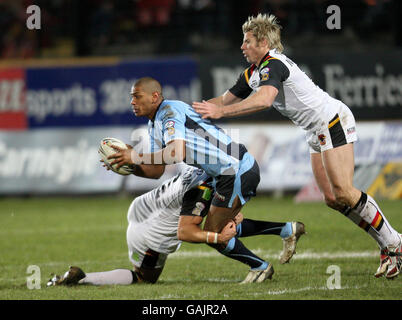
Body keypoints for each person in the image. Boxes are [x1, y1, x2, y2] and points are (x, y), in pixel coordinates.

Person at [192, 13, 401, 280]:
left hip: (331, 120)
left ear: (264, 42)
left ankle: (394, 243)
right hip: (315, 129)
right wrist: (189, 115)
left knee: (345, 192)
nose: (242, 47)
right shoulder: (252, 73)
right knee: (332, 199)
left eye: (247, 41)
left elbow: (265, 100)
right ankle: (389, 244)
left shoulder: (273, 65)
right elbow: (222, 100)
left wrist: (222, 114)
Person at [108, 77, 305, 283]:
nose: (132, 102)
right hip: (222, 173)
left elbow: (176, 151)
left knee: (214, 233)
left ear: (154, 96)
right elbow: (156, 170)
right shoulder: (154, 124)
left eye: (137, 96)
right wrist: (129, 166)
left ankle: (261, 267)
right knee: (215, 228)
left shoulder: (168, 112)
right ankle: (285, 230)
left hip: (234, 170)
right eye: (131, 98)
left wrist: (135, 156)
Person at [47, 167, 304, 286]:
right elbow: (186, 232)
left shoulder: (199, 169)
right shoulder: (201, 189)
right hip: (150, 235)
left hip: (143, 209)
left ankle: (283, 233)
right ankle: (84, 279)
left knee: (221, 222)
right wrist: (216, 237)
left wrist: (232, 215)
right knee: (144, 278)